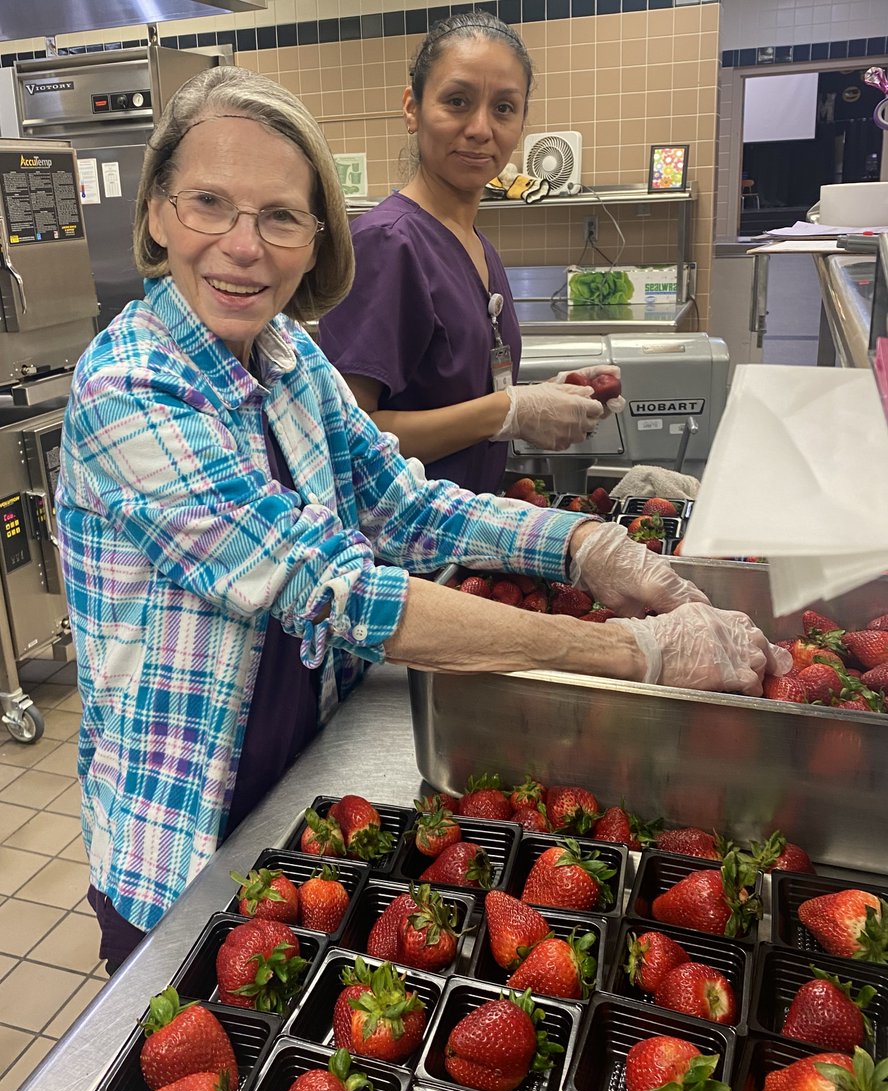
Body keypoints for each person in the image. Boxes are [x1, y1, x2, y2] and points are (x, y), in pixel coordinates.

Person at [56, 65, 789, 975]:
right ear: (159, 214)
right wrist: (630, 653)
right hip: (185, 832)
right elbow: (338, 589)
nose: (244, 246)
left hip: (295, 796)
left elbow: (407, 505)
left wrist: (586, 546)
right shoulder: (128, 386)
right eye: (209, 203)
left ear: (316, 235)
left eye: (281, 216)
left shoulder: (289, 358)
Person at [317, 12, 623, 494]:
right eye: (457, 101)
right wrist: (509, 412)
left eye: (504, 108)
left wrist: (547, 396)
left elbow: (461, 391)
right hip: (400, 551)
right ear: (413, 108)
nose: (481, 128)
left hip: (467, 538)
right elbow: (343, 440)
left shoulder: (476, 245)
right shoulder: (387, 243)